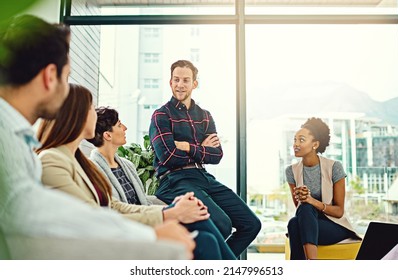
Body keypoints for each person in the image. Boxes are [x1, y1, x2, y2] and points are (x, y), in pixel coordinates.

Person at [0, 14, 193, 259]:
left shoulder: (16, 138)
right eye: (66, 77)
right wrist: (151, 237)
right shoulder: (13, 143)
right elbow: (37, 212)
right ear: (50, 76)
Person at [37, 83, 226, 260]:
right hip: (105, 242)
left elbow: (115, 206)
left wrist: (170, 210)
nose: (94, 115)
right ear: (75, 116)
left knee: (201, 225)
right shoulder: (53, 160)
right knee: (204, 240)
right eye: (90, 109)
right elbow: (93, 220)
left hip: (118, 228)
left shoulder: (81, 162)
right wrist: (166, 216)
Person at [87, 106, 237, 259]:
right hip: (136, 225)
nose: (125, 127)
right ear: (107, 135)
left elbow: (143, 200)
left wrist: (174, 204)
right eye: (119, 125)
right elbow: (114, 210)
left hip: (149, 215)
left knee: (200, 222)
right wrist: (169, 210)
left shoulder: (127, 165)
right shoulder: (93, 170)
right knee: (206, 238)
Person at [149, 59, 261, 257]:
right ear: (170, 82)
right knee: (222, 224)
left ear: (194, 84)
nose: (180, 85)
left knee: (251, 224)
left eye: (185, 80)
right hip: (174, 180)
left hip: (202, 176)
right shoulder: (161, 115)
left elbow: (216, 155)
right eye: (176, 80)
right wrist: (201, 148)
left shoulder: (205, 116)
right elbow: (168, 156)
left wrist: (185, 146)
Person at [285, 117, 361, 260]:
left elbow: (339, 212)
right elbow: (299, 208)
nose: (295, 144)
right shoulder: (291, 171)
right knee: (295, 222)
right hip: (308, 223)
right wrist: (302, 198)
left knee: (300, 217)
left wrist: (312, 201)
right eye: (294, 140)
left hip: (334, 226)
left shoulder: (334, 167)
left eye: (301, 140)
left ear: (315, 144)